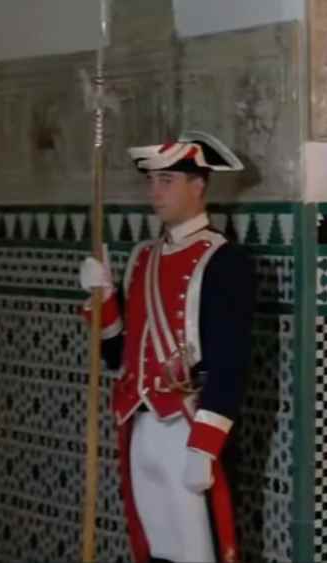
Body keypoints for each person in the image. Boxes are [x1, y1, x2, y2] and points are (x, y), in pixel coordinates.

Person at [79, 131, 256, 563]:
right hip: (140, 428)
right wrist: (103, 298)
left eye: (167, 181)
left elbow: (230, 362)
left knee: (198, 553)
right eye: (151, 181)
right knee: (155, 552)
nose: (155, 192)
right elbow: (117, 354)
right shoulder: (142, 257)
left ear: (198, 185)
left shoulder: (223, 260)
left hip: (189, 428)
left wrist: (204, 446)